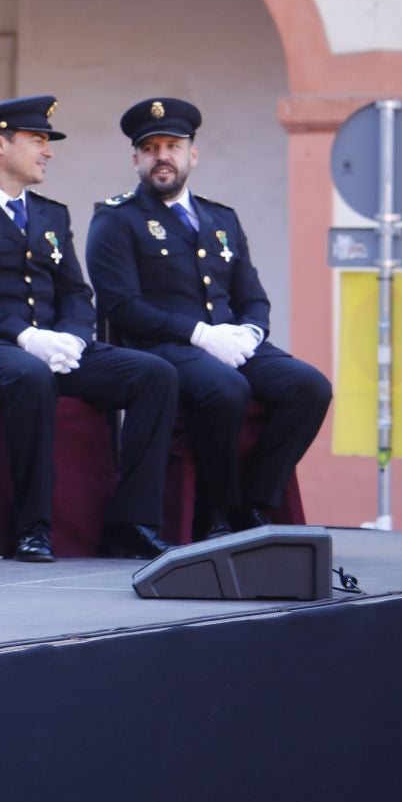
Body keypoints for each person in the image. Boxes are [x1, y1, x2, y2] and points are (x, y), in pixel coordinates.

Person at [0, 95, 176, 563]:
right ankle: (33, 526)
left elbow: (77, 291)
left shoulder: (51, 214)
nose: (48, 151)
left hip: (52, 343)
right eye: (37, 140)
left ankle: (131, 522)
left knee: (154, 374)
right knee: (29, 376)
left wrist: (74, 336)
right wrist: (24, 335)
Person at [85, 97, 330, 540]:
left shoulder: (222, 218)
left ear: (191, 154)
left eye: (173, 146)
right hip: (163, 346)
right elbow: (122, 306)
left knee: (309, 387)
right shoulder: (116, 220)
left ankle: (255, 502)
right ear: (136, 158)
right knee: (226, 389)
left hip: (229, 341)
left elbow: (252, 295)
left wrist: (250, 332)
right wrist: (199, 333)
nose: (163, 156)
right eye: (152, 147)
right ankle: (214, 510)